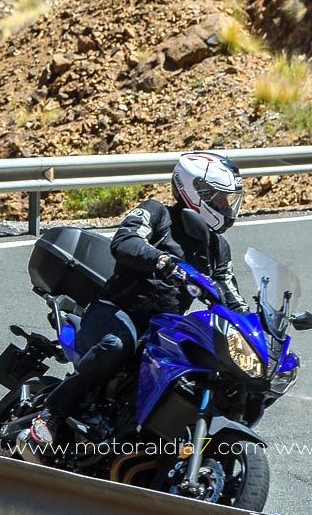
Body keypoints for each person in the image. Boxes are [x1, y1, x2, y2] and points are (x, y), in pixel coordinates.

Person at [23, 152, 249, 454]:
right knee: (117, 345)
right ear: (194, 190)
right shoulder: (157, 213)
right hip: (116, 311)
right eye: (218, 198)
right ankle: (51, 413)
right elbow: (125, 241)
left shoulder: (217, 248)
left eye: (227, 200)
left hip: (160, 328)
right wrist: (162, 260)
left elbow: (229, 291)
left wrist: (256, 322)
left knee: (196, 367)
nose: (224, 206)